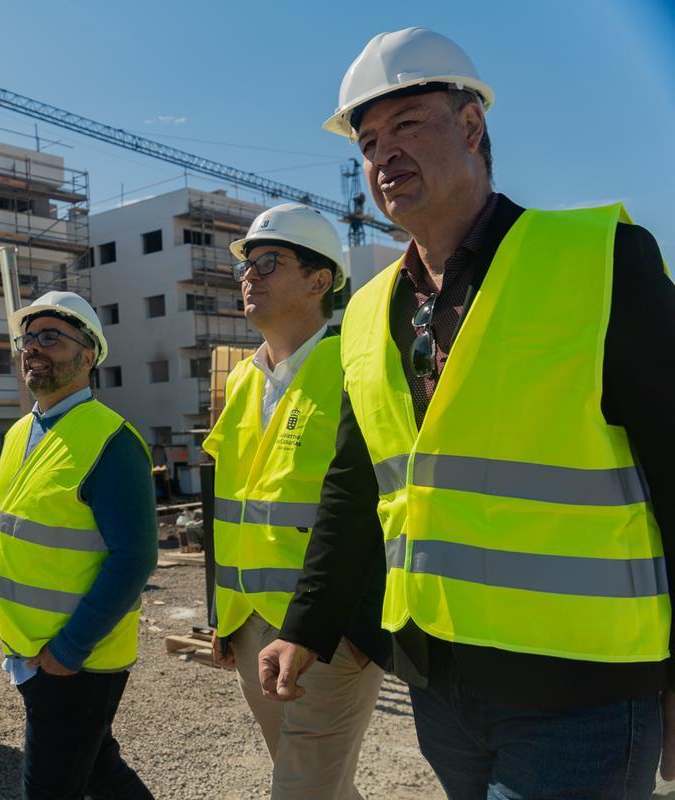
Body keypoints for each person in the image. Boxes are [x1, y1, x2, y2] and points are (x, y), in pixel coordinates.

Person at [259, 27, 674, 799]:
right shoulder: (369, 310)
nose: (383, 154)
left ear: (472, 127)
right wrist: (305, 627)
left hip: (582, 688)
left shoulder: (602, 261)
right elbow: (357, 485)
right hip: (438, 678)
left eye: (408, 124)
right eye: (369, 139)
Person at [203, 203, 387, 799]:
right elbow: (230, 505)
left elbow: (369, 506)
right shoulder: (241, 380)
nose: (249, 276)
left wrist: (351, 628)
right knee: (316, 782)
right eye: (245, 266)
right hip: (252, 623)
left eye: (268, 262)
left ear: (319, 280)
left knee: (302, 790)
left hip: (329, 632)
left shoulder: (355, 370)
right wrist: (223, 614)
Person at [0, 291, 158, 800]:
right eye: (28, 339)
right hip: (34, 653)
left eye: (50, 338)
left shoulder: (112, 441)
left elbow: (135, 557)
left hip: (77, 659)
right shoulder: (22, 432)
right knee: (99, 771)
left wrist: (69, 649)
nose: (33, 348)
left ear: (89, 356)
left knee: (48, 788)